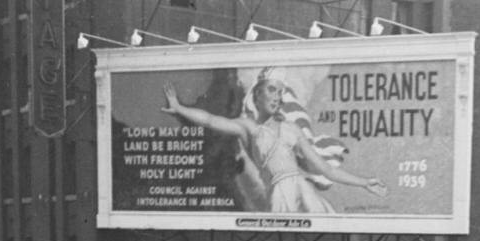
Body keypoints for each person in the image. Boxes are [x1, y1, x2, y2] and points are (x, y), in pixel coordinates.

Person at [163, 71, 388, 214]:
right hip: (280, 194)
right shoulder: (248, 127)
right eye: (272, 90)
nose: (277, 97)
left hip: (303, 189)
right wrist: (180, 108)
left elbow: (326, 169)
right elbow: (211, 121)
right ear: (257, 95)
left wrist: (364, 183)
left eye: (280, 92)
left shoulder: (292, 130)